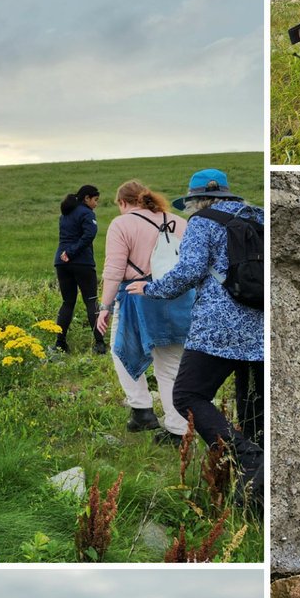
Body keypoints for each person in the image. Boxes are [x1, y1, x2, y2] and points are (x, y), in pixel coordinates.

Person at [126, 170, 265, 505]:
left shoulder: (202, 222)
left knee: (187, 394)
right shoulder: (258, 216)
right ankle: (253, 495)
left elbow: (189, 271)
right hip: (261, 325)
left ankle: (246, 457)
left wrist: (151, 289)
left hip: (218, 328)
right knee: (253, 408)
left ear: (193, 200)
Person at [95, 181, 193, 444]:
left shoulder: (122, 224)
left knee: (121, 348)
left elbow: (114, 271)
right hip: (179, 297)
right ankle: (177, 430)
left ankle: (142, 409)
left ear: (123, 203)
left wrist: (104, 307)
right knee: (171, 363)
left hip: (137, 297)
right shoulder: (178, 221)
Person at [54, 185, 105, 355]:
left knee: (67, 303)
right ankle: (99, 344)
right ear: (87, 198)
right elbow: (89, 235)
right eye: (95, 200)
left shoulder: (65, 214)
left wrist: (66, 253)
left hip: (61, 263)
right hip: (81, 262)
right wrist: (72, 252)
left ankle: (60, 344)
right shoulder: (86, 213)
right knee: (91, 300)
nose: (96, 204)